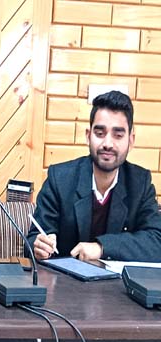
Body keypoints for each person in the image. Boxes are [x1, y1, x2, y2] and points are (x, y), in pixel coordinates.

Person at [28, 90, 161, 262]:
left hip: (118, 280)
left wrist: (102, 247)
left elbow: (156, 242)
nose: (108, 144)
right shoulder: (59, 179)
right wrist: (38, 246)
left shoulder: (140, 183)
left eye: (118, 135)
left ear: (130, 140)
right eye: (100, 133)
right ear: (88, 136)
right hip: (64, 279)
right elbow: (32, 240)